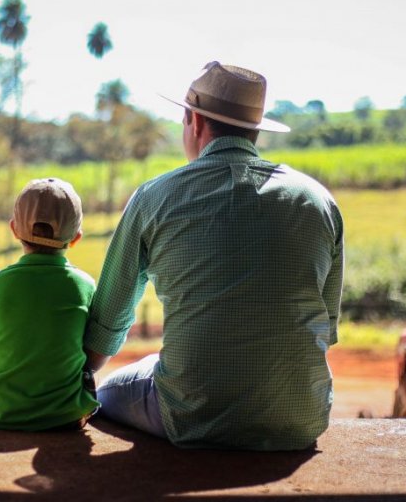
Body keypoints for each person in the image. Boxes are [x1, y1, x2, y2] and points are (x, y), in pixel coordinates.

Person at [84, 61, 344, 450]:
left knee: (105, 395)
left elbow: (106, 328)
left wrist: (82, 375)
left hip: (191, 418)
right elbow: (327, 326)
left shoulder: (153, 197)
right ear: (256, 129)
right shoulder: (319, 201)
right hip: (301, 421)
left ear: (194, 120)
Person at [0, 178, 99, 431]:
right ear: (76, 238)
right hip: (65, 416)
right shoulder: (84, 285)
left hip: (0, 414)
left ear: (14, 229)